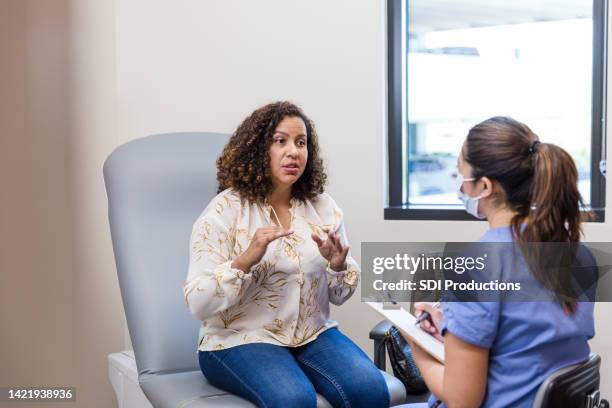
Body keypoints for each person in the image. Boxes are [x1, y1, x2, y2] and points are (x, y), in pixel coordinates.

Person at [183, 101, 390, 408]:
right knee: (293, 400)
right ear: (257, 150)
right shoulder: (224, 211)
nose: (293, 152)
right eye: (280, 141)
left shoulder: (322, 207)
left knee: (371, 391)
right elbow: (198, 303)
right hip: (238, 339)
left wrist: (337, 265)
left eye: (301, 143)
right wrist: (244, 260)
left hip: (312, 335)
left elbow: (340, 295)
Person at [403, 116, 596, 408]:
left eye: (460, 175)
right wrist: (454, 326)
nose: (459, 186)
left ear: (483, 186)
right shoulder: (578, 255)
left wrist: (417, 345)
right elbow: (527, 343)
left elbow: (461, 400)